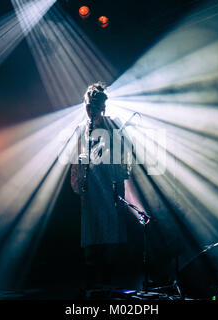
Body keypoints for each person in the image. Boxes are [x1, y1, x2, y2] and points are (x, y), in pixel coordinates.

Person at [71, 82, 131, 290]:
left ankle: (107, 283)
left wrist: (118, 189)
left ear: (102, 106)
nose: (91, 110)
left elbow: (120, 159)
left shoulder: (112, 126)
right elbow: (76, 161)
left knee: (109, 235)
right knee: (90, 236)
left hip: (108, 186)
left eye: (95, 106)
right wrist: (78, 184)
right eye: (88, 106)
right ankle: (92, 284)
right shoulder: (81, 129)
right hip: (90, 190)